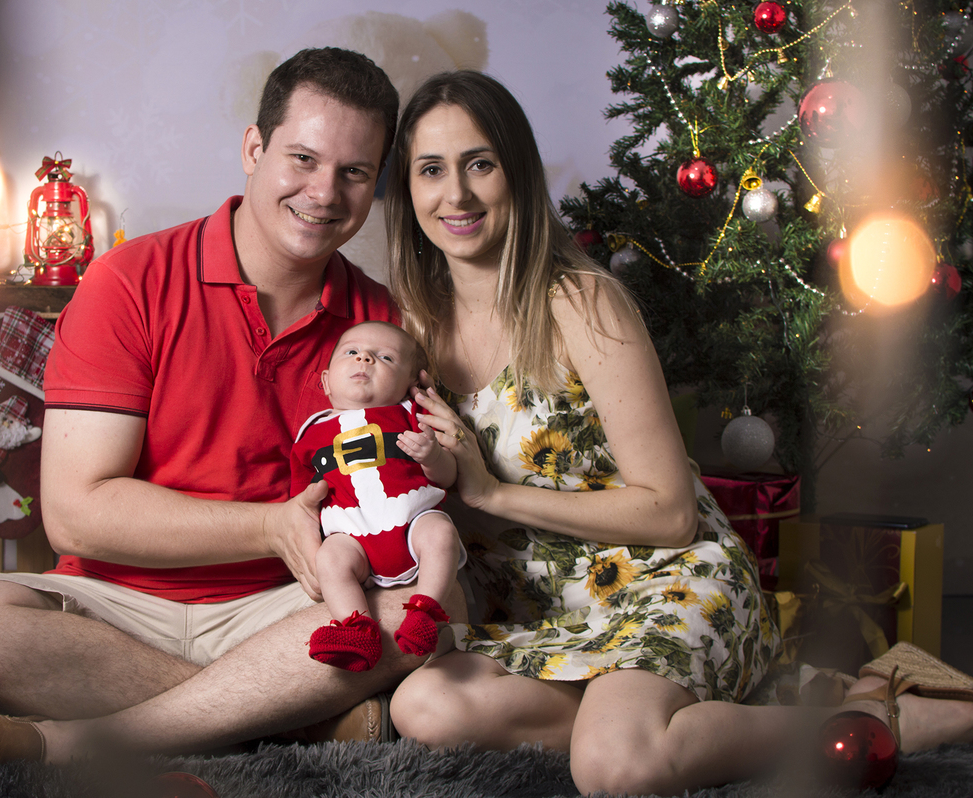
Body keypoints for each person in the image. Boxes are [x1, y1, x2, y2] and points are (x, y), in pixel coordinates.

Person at [382, 70, 973, 796]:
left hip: (666, 579)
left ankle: (872, 714)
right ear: (407, 189)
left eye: (480, 164)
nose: (457, 194)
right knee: (424, 707)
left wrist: (493, 496)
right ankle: (667, 714)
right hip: (546, 616)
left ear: (518, 174)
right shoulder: (405, 330)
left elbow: (668, 513)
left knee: (617, 769)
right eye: (431, 170)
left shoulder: (581, 302)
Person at [0, 47, 465, 768]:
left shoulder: (381, 325)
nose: (325, 193)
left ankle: (63, 745)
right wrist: (270, 526)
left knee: (424, 611)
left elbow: (409, 499)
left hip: (293, 608)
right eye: (302, 159)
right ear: (254, 149)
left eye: (354, 172)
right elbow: (76, 515)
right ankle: (287, 720)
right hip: (114, 608)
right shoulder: (129, 281)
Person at [294, 321, 465, 672]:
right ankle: (355, 628)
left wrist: (433, 456)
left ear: (409, 384)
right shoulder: (310, 434)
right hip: (352, 537)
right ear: (326, 381)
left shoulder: (412, 414)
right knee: (330, 559)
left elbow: (449, 477)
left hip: (413, 522)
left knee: (441, 532)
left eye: (385, 357)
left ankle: (425, 612)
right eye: (352, 352)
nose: (365, 358)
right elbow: (301, 503)